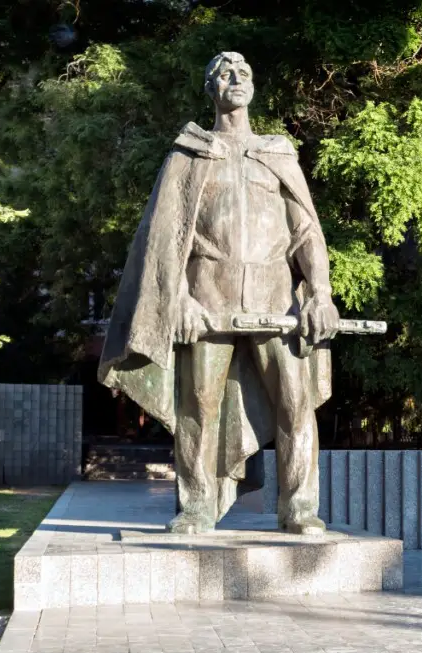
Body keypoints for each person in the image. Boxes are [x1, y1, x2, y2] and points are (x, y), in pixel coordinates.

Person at [98, 52, 340, 533]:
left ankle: (299, 508)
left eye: (244, 74)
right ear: (210, 88)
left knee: (296, 403)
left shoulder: (277, 152)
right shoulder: (189, 154)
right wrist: (179, 299)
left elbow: (306, 233)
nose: (235, 80)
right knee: (199, 406)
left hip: (277, 300)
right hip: (207, 299)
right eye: (225, 74)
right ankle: (196, 507)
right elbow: (166, 237)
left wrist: (321, 293)